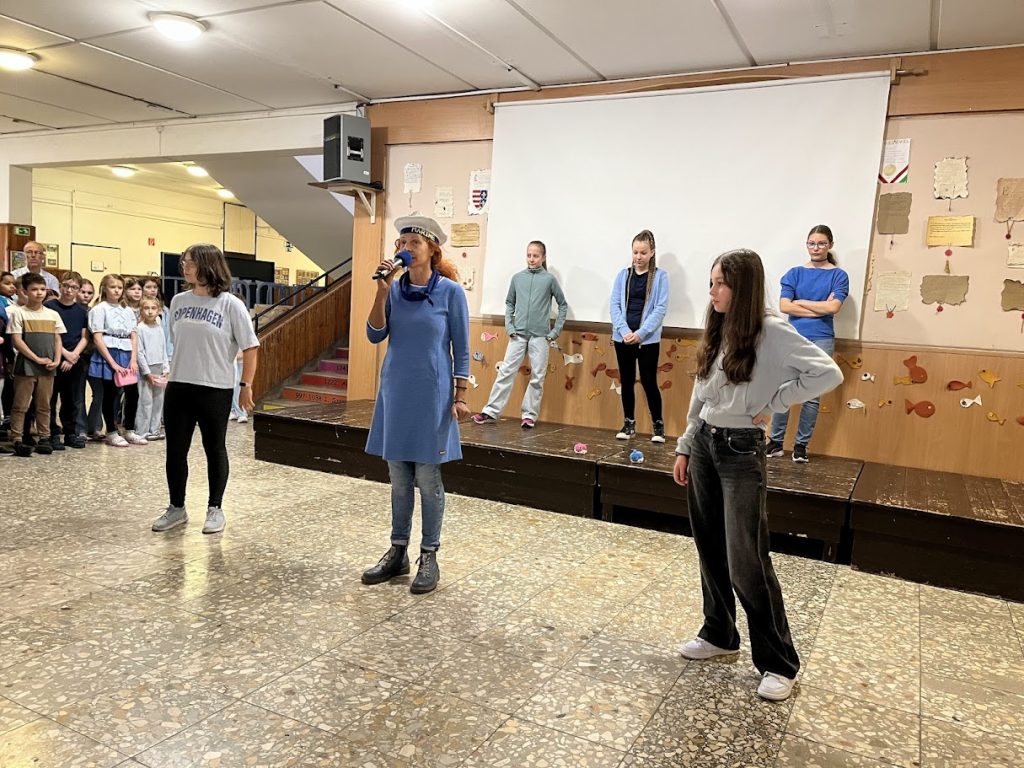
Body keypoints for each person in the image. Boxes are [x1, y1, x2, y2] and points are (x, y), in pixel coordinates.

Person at [672, 249, 843, 702]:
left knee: (746, 558)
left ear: (743, 287)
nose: (712, 292)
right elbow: (700, 392)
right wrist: (686, 444)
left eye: (721, 284)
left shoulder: (772, 330)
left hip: (740, 450)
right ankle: (719, 633)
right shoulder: (719, 325)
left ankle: (778, 662)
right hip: (705, 444)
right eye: (711, 282)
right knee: (709, 545)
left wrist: (774, 403)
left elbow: (827, 373)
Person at [362, 215, 470, 594]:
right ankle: (398, 552)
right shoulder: (393, 289)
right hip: (396, 392)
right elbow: (374, 334)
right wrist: (381, 291)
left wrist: (460, 395)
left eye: (414, 244)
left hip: (432, 396)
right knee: (398, 479)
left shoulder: (450, 293)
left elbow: (462, 348)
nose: (405, 249)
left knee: (427, 478)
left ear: (431, 250)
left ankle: (429, 554)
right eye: (401, 244)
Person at [151, 244, 260, 535]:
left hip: (215, 388)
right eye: (183, 262)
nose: (185, 268)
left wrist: (245, 385)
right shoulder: (178, 301)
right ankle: (176, 507)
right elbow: (177, 340)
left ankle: (215, 508)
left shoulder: (230, 304)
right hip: (179, 386)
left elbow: (250, 347)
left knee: (214, 448)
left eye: (190, 263)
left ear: (207, 265)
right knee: (175, 450)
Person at [766, 225, 849, 463]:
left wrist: (800, 302)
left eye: (821, 243)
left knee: (812, 395)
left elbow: (834, 308)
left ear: (830, 245)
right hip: (792, 336)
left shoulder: (838, 275)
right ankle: (776, 442)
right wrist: (820, 307)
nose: (816, 248)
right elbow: (785, 306)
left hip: (822, 337)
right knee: (783, 389)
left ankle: (801, 446)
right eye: (812, 243)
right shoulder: (794, 273)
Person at [472, 240, 567, 428]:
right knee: (506, 372)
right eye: (529, 255)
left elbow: (562, 305)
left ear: (543, 257)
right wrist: (509, 326)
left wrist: (555, 331)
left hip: (540, 336)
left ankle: (529, 415)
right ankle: (490, 411)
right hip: (518, 335)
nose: (531, 259)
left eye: (536, 256)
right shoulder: (517, 278)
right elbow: (510, 303)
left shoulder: (549, 280)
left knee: (537, 377)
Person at [610, 229, 669, 442]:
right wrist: (625, 331)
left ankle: (658, 427)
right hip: (623, 339)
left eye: (643, 252)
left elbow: (660, 309)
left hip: (647, 340)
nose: (638, 257)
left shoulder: (660, 277)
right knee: (626, 381)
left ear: (652, 252)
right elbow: (615, 305)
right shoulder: (623, 275)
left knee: (648, 381)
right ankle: (628, 424)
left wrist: (641, 333)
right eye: (635, 252)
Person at [8, 273, 65, 457]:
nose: (39, 293)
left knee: (44, 405)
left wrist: (57, 360)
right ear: (24, 291)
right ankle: (17, 438)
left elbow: (57, 339)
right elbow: (17, 341)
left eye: (42, 289)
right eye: (34, 289)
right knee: (20, 405)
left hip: (48, 367)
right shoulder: (19, 313)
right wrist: (36, 358)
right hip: (26, 366)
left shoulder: (53, 314)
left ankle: (44, 437)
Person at [88, 274, 145, 447]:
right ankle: (111, 431)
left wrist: (133, 360)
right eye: (113, 287)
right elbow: (97, 337)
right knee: (110, 394)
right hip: (109, 352)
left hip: (127, 353)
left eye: (120, 288)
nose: (117, 291)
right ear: (104, 288)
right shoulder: (99, 309)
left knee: (133, 393)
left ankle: (130, 430)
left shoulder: (127, 310)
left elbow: (133, 336)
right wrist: (112, 363)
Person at [45, 271, 89, 449]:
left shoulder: (82, 311)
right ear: (60, 286)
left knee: (71, 399)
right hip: (54, 358)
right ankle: (52, 433)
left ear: (78, 289)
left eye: (74, 287)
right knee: (50, 398)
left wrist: (73, 356)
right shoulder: (49, 307)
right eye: (66, 286)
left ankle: (70, 432)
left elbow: (85, 337)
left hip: (74, 360)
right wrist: (64, 354)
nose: (69, 290)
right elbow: (49, 335)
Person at [136, 297, 169, 441]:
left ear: (159, 310)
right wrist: (147, 372)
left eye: (153, 308)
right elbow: (139, 352)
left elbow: (163, 349)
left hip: (159, 367)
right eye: (146, 308)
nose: (150, 312)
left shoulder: (159, 328)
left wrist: (166, 367)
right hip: (146, 369)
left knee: (158, 401)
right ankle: (142, 431)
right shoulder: (140, 328)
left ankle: (154, 430)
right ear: (141, 310)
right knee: (145, 401)